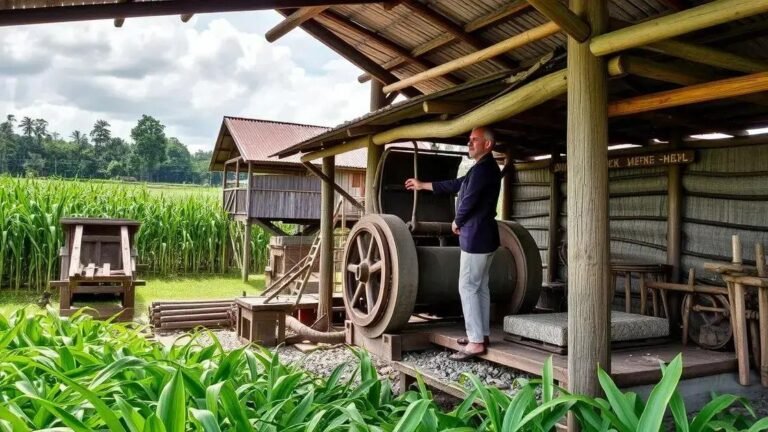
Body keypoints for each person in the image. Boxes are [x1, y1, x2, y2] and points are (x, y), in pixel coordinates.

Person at [405, 126, 502, 361]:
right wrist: (423, 184)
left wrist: (456, 221)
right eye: (469, 139)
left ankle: (476, 342)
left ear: (487, 145)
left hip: (476, 236)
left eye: (474, 140)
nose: (469, 143)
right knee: (480, 287)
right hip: (485, 235)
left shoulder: (483, 170)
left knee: (468, 286)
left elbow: (468, 199)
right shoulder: (482, 168)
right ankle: (481, 335)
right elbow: (456, 184)